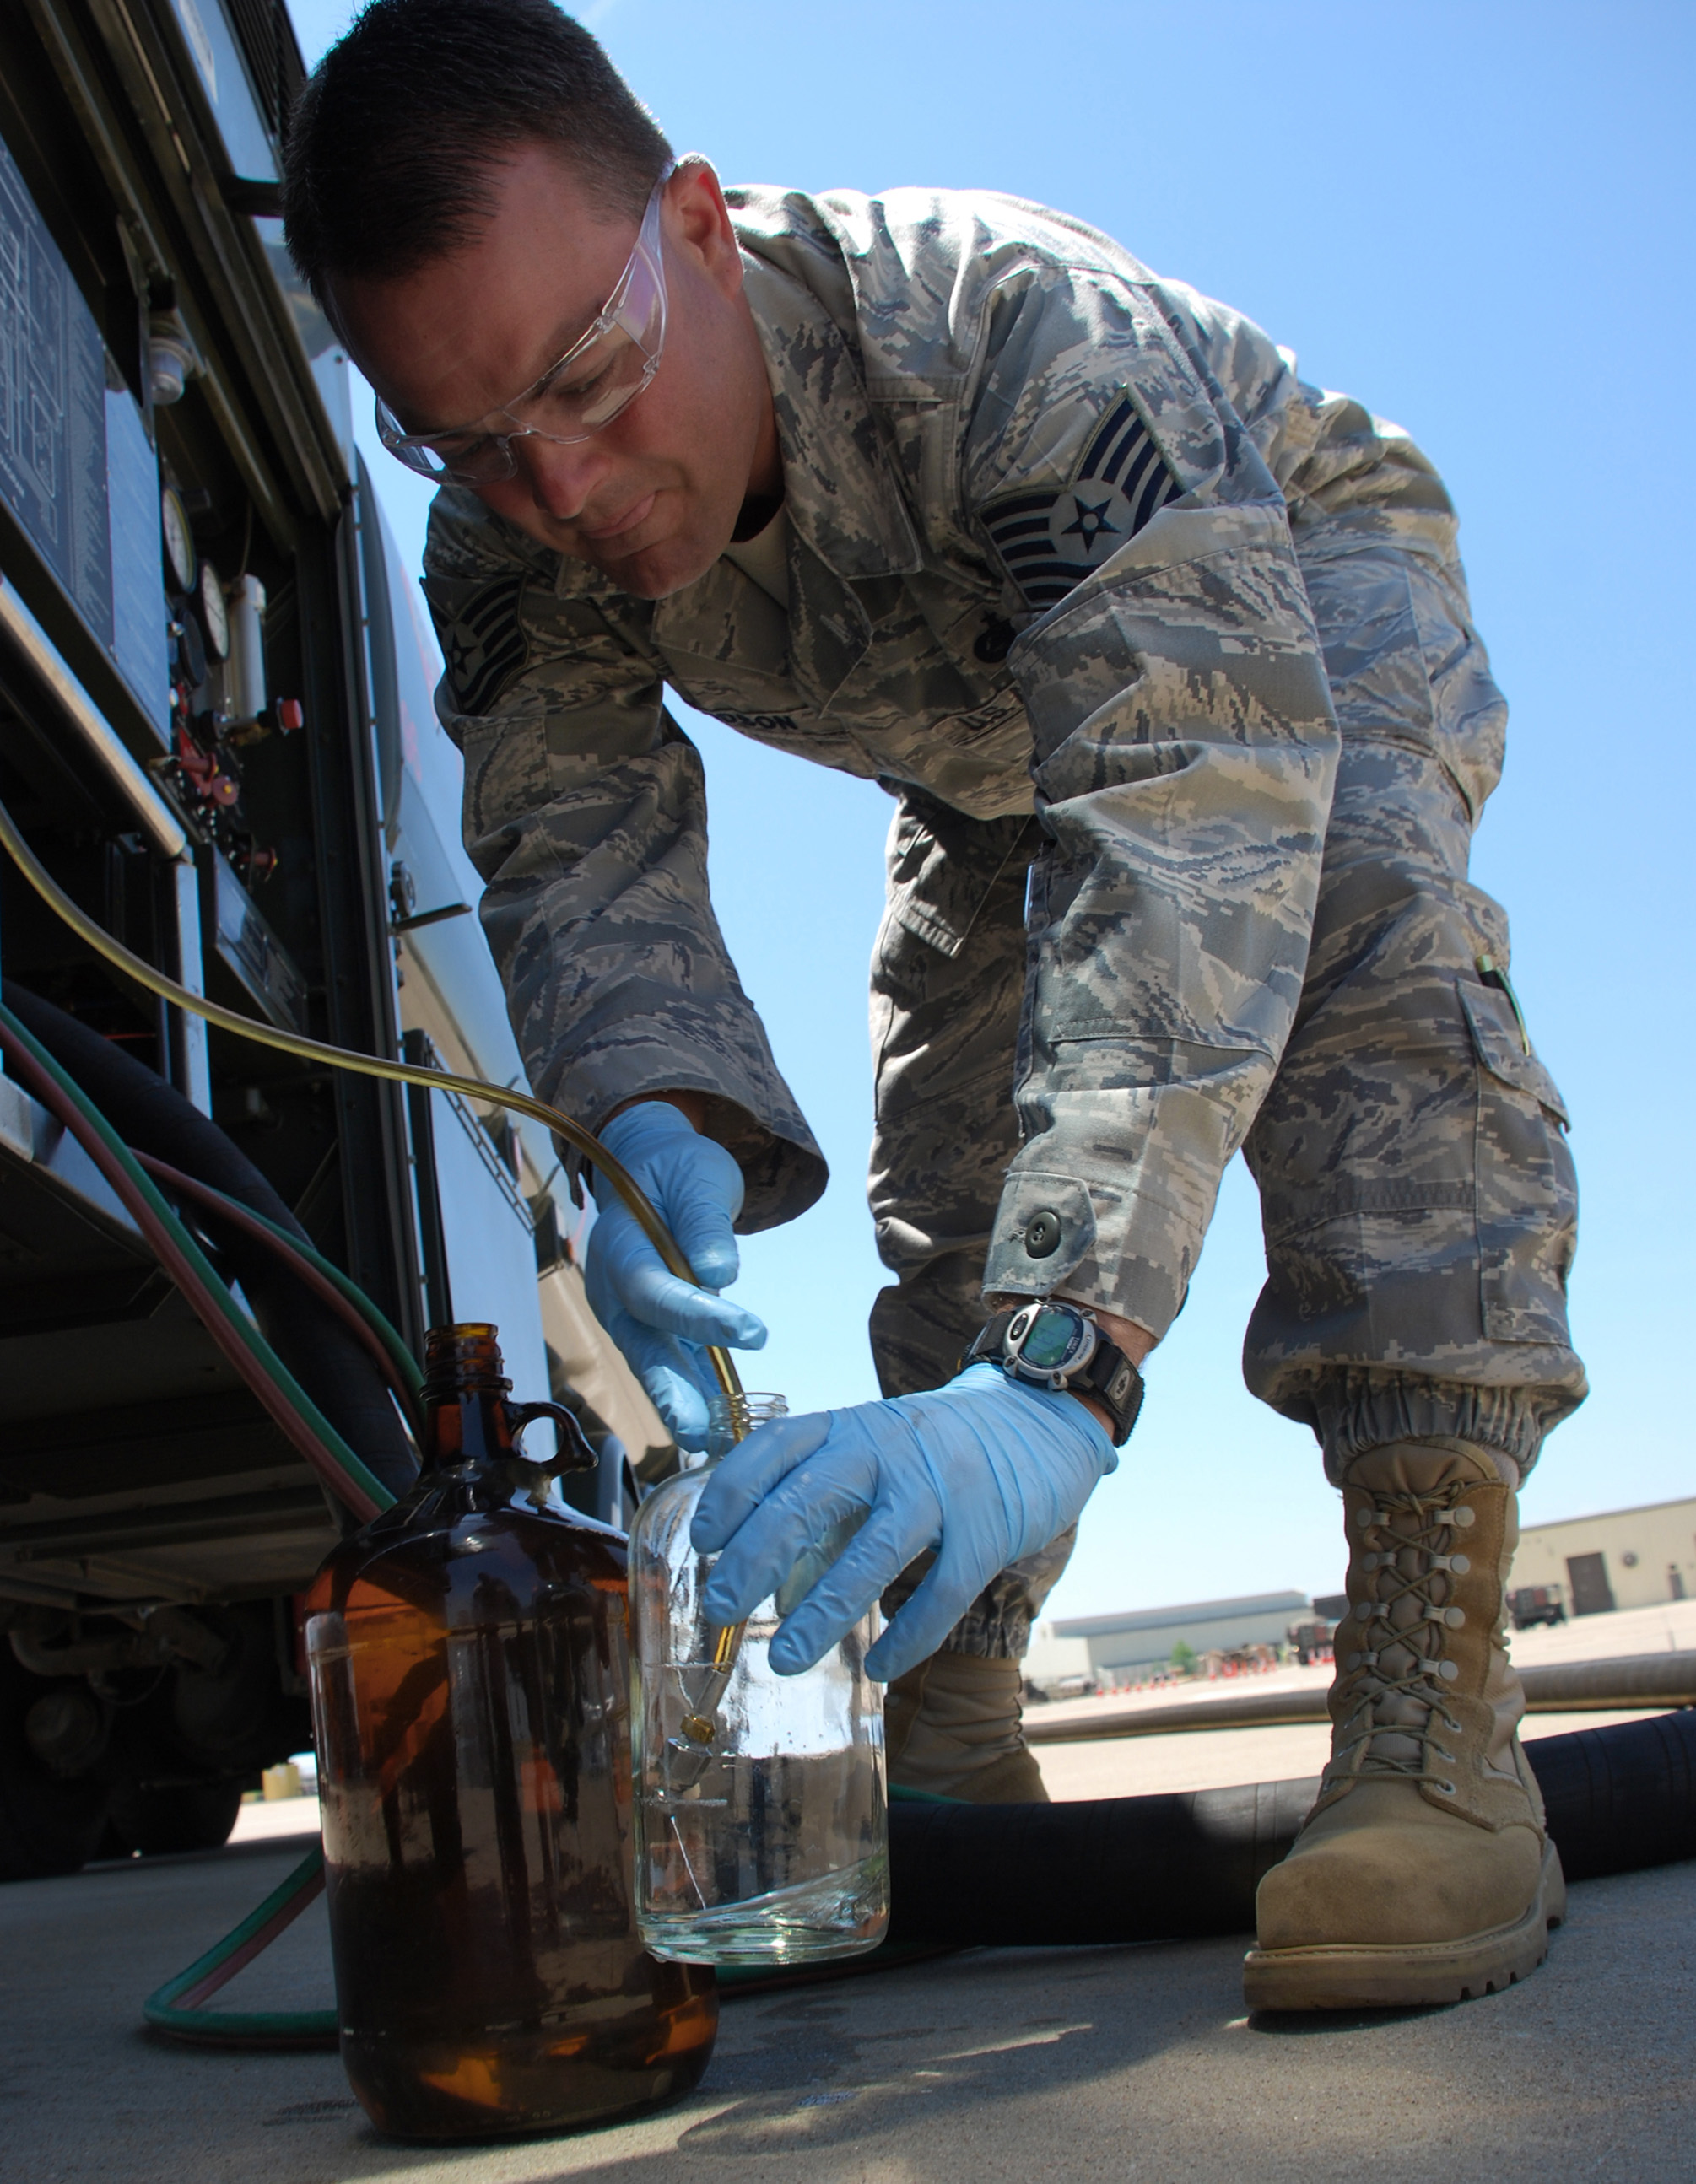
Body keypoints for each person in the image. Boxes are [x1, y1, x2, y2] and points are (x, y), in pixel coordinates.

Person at [284, 0, 1585, 2009]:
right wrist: (649, 1119)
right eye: (466, 442)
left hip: (1278, 595)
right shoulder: (512, 520)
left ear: (699, 230)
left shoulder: (1018, 331)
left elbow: (1190, 790)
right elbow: (573, 838)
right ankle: (953, 1693)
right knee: (951, 1149)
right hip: (979, 747)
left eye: (592, 377)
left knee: (1362, 947)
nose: (564, 488)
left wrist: (1065, 1363)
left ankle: (1435, 1685)